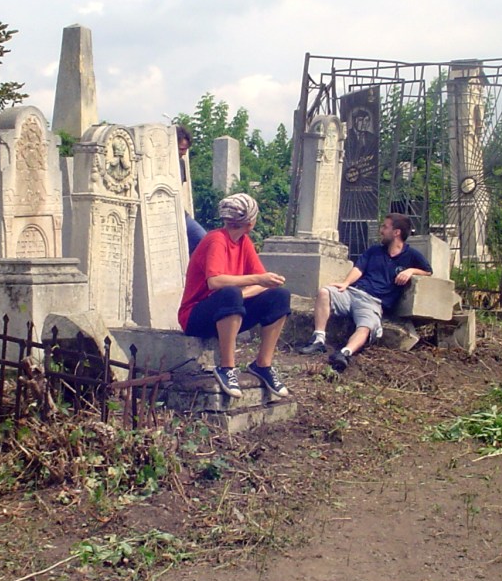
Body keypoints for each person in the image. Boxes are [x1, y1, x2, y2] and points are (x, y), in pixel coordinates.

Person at [178, 192, 291, 399]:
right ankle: (227, 367)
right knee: (230, 293)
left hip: (227, 309)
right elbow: (216, 281)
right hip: (196, 316)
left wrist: (258, 283)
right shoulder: (216, 240)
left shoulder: (244, 242)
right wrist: (256, 281)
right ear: (251, 222)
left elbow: (262, 283)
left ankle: (262, 365)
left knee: (279, 296)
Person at [298, 213, 432, 372]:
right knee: (324, 292)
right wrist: (345, 283)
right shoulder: (374, 250)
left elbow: (428, 271)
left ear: (396, 232)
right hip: (353, 292)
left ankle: (344, 353)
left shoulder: (411, 255)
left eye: (385, 227)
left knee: (366, 326)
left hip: (373, 302)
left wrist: (410, 270)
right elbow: (358, 269)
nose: (381, 230)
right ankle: (318, 340)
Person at [176, 125, 207, 254]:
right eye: (181, 149)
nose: (184, 153)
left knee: (203, 239)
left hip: (179, 212)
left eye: (186, 149)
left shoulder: (181, 163)